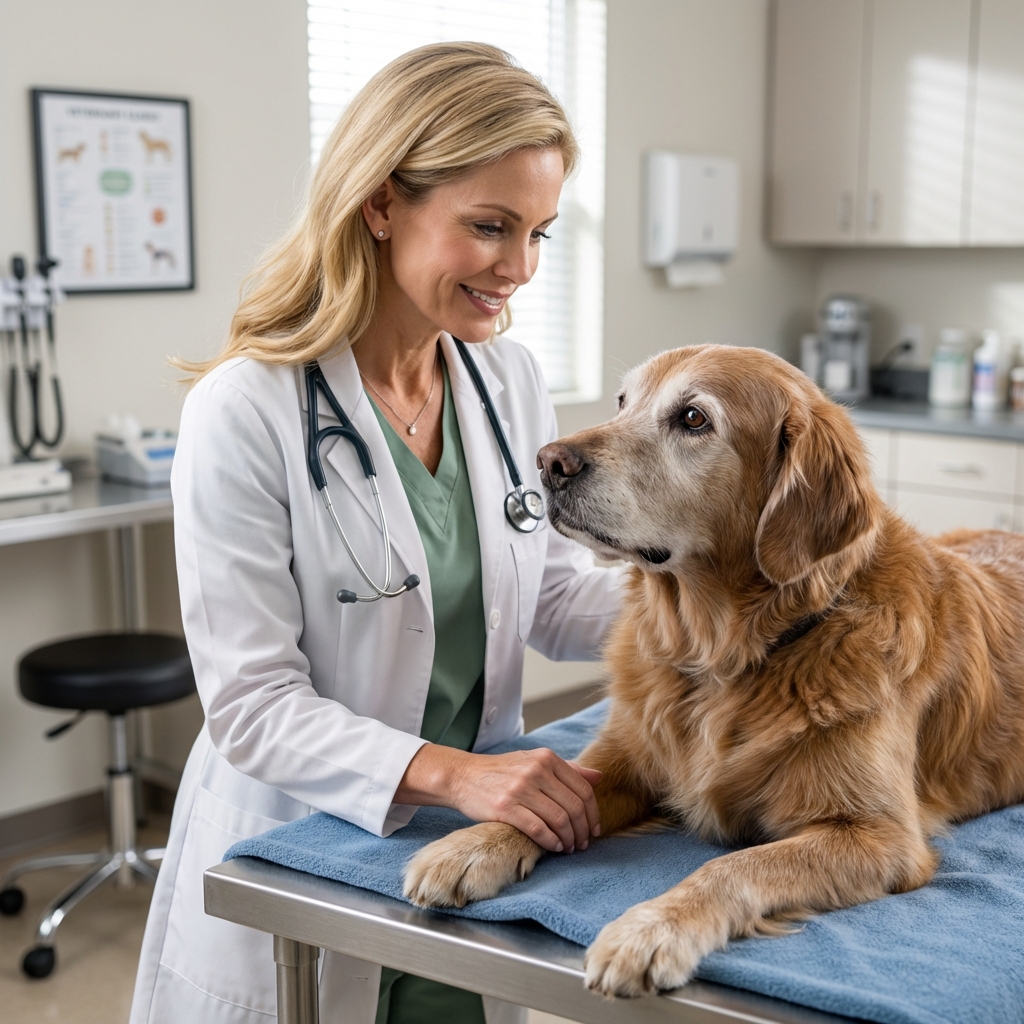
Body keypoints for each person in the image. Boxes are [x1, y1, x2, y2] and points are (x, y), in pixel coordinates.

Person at [129, 42, 622, 1024]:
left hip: (469, 860)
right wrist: (458, 774)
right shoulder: (247, 409)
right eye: (489, 226)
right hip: (309, 845)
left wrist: (724, 604)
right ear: (382, 202)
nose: (518, 269)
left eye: (540, 234)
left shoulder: (506, 381)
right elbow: (254, 705)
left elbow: (553, 595)